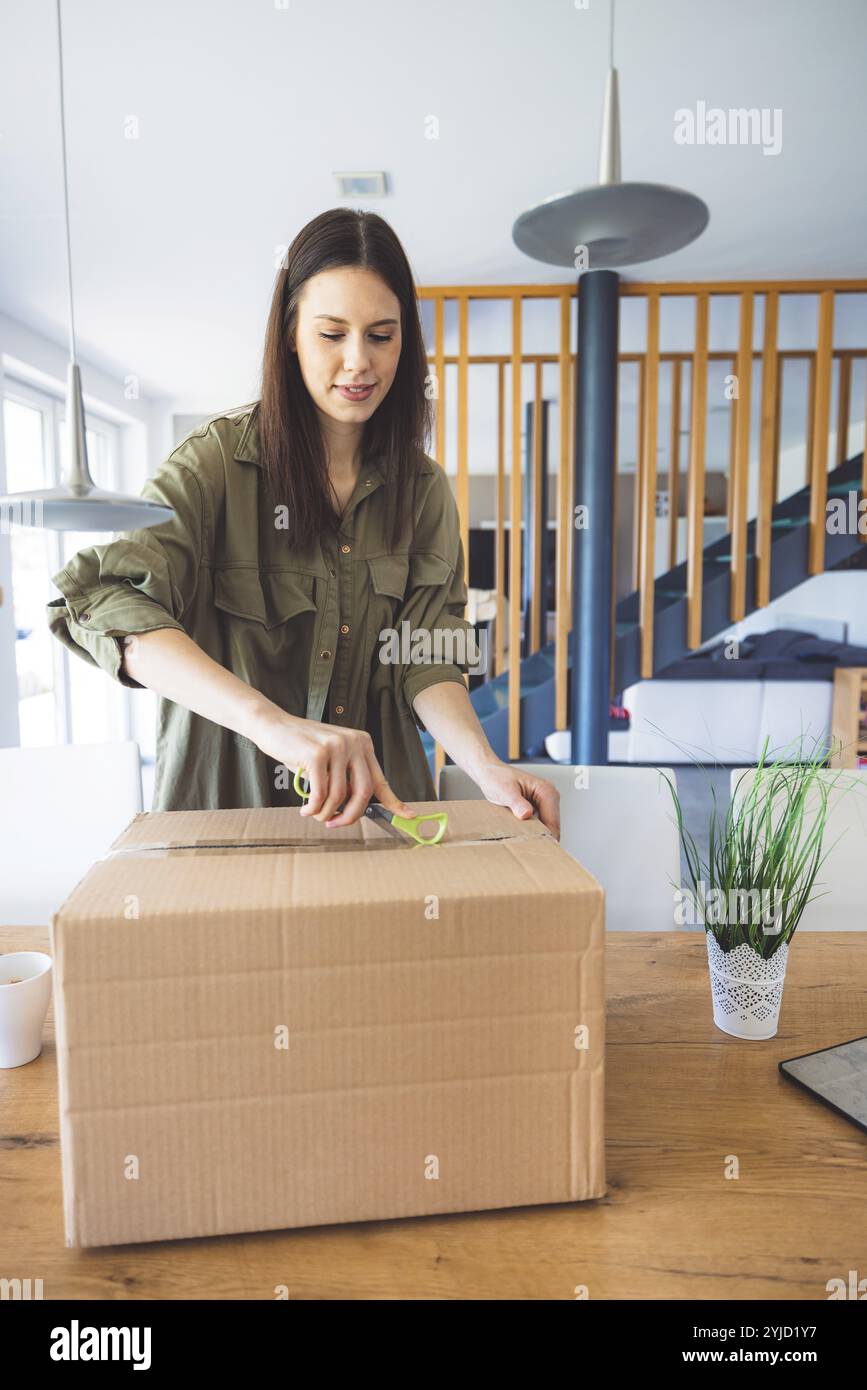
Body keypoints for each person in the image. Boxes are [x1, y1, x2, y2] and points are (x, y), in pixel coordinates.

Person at [47, 208, 559, 837]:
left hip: (385, 824)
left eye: (380, 335)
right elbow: (104, 601)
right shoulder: (212, 465)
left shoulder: (423, 490)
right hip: (229, 821)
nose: (358, 363)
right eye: (331, 333)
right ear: (290, 334)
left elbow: (428, 658)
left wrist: (485, 766)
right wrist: (274, 726)